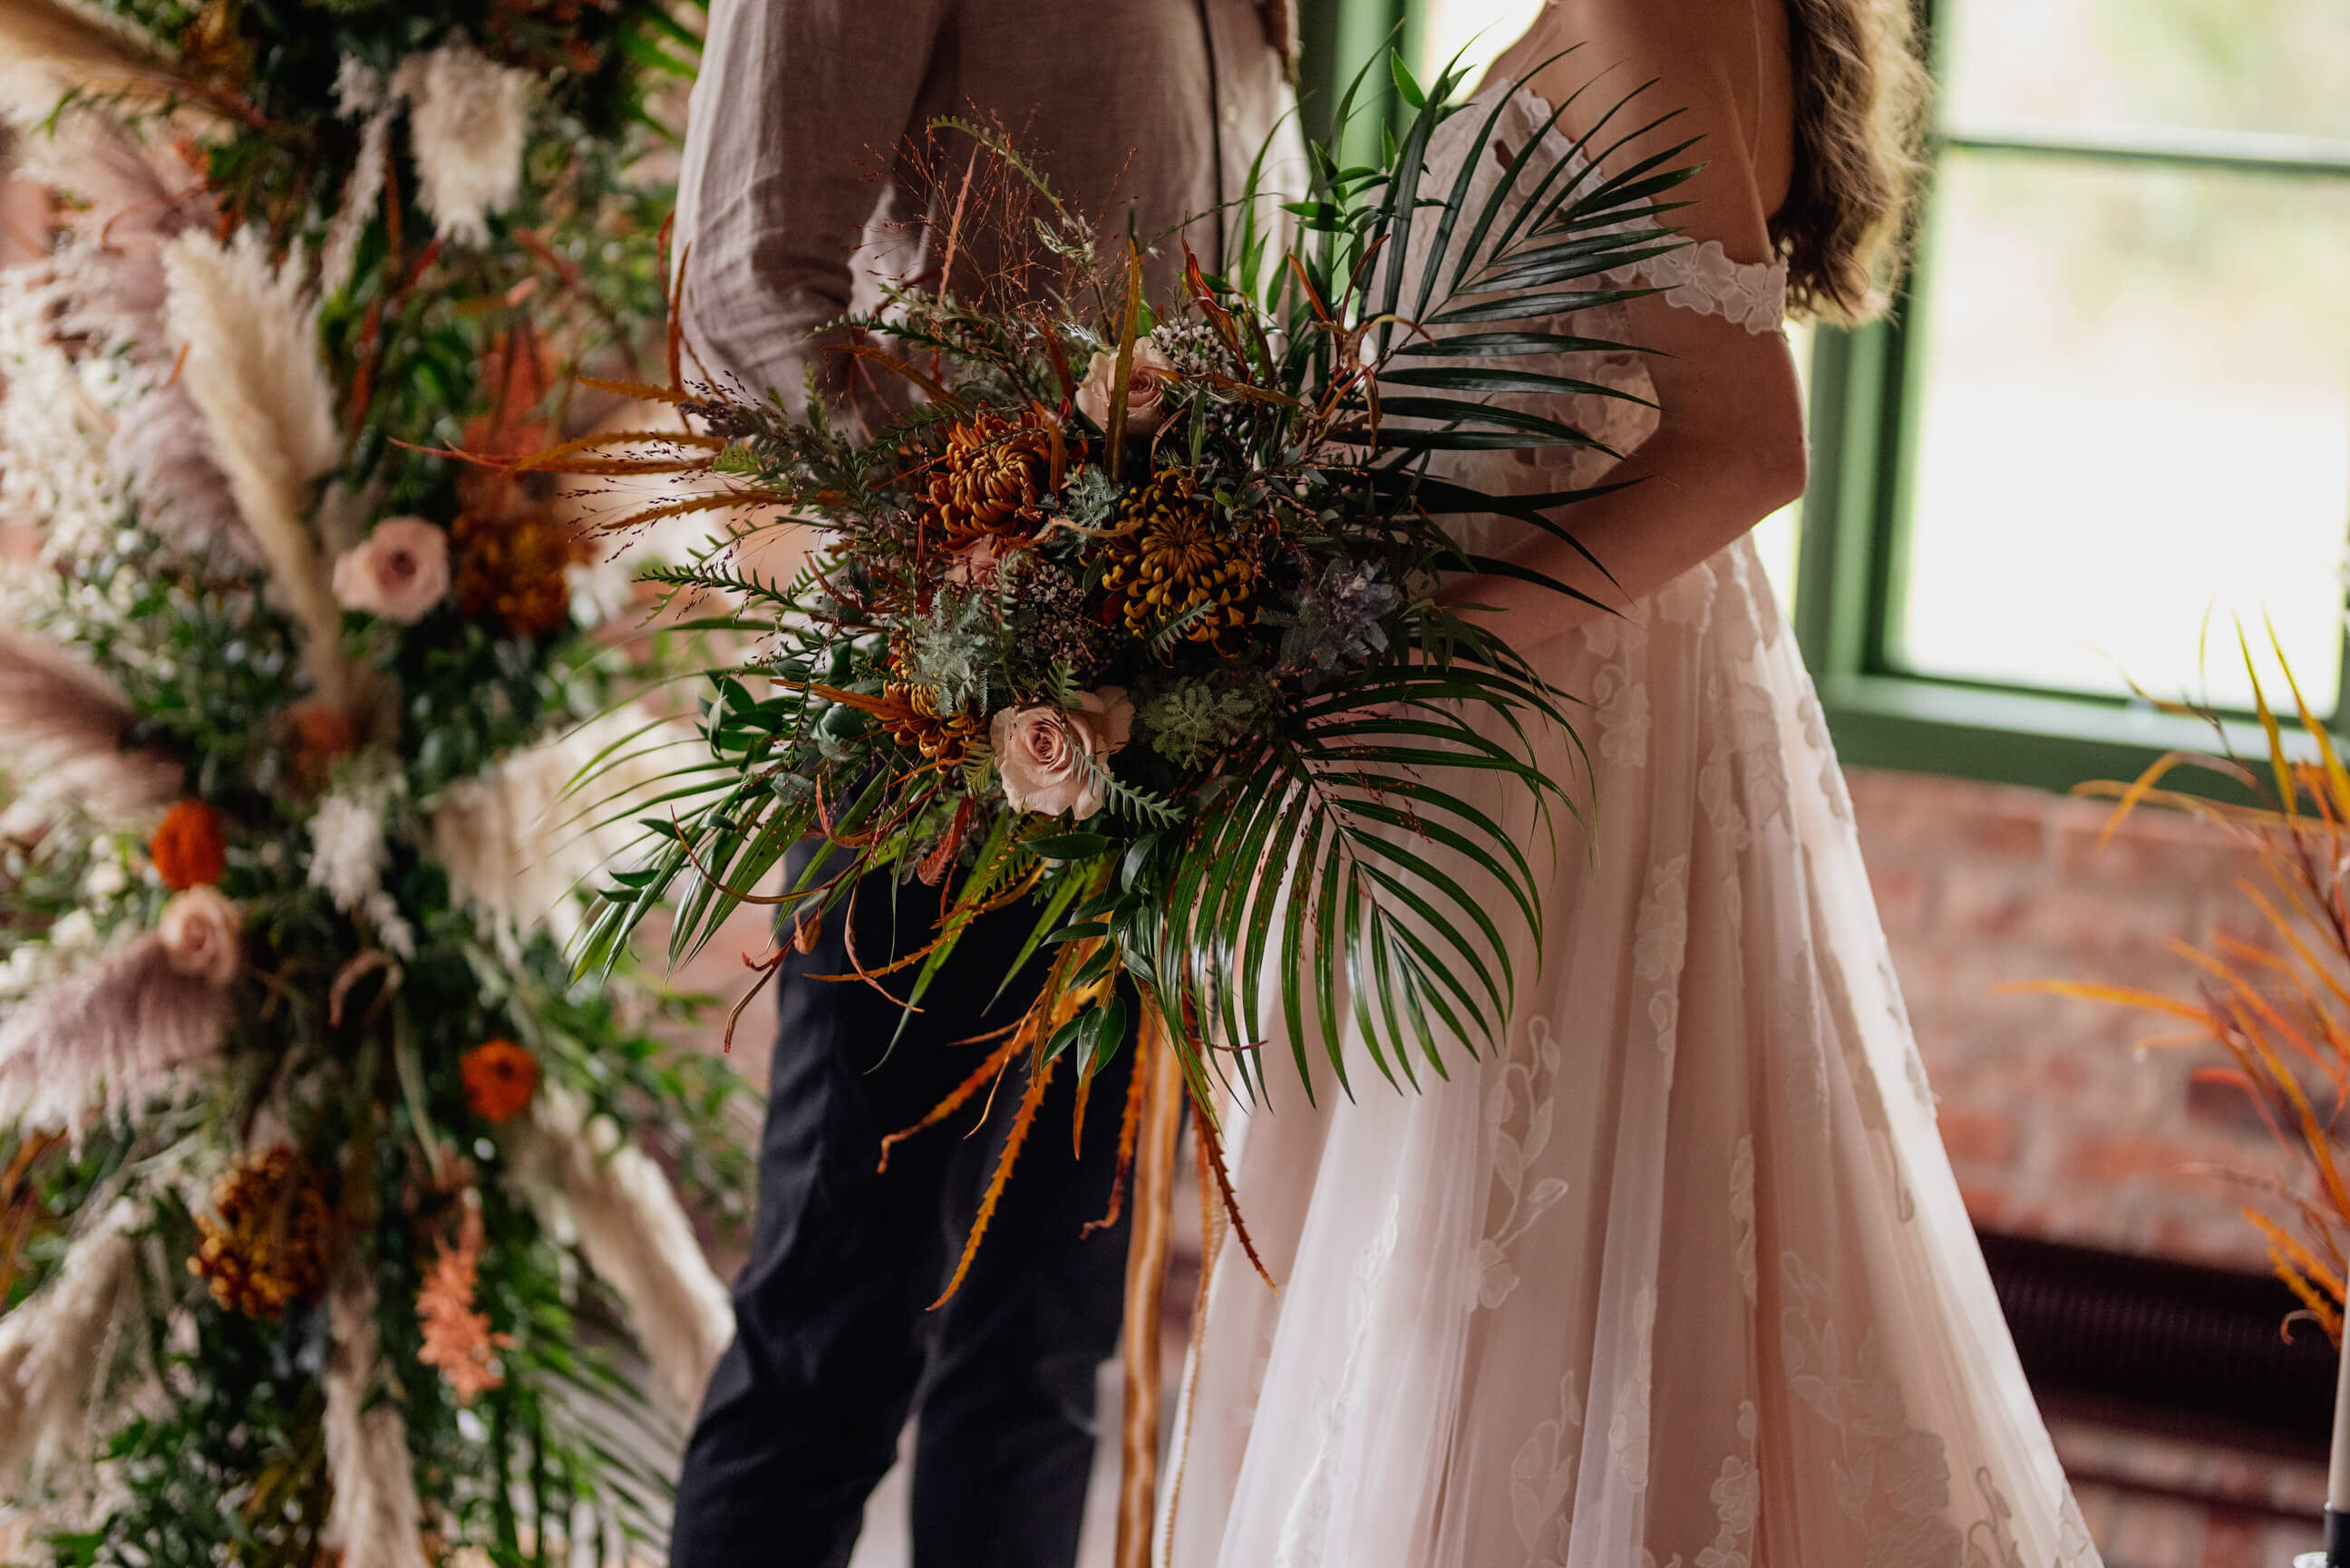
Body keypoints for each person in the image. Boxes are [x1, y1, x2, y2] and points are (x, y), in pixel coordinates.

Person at [1161, 1, 2105, 1563]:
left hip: (1543, 769)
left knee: (1514, 1317)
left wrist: (1404, 666)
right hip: (1544, 743)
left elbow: (1749, 449)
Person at [663, 5, 1301, 1568]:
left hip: (1150, 752)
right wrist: (967, 602)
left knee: (1044, 1352)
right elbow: (742, 285)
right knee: (832, 1330)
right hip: (924, 732)